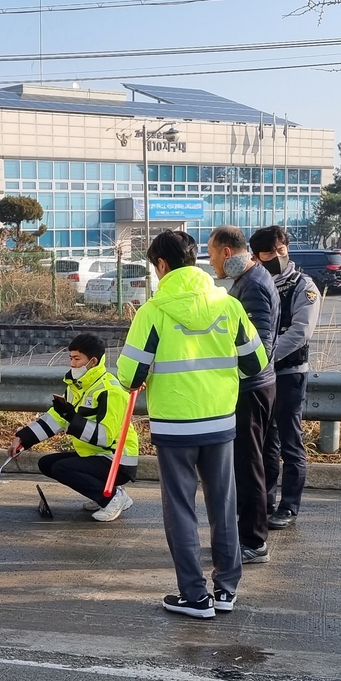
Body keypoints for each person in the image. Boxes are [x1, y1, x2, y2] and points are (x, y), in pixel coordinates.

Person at [118, 230, 268, 619]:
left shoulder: (153, 311)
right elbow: (256, 363)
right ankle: (226, 592)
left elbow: (129, 376)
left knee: (181, 510)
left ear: (162, 265)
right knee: (223, 505)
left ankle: (194, 597)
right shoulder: (228, 304)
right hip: (220, 422)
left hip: (174, 427)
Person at [7, 333, 139, 522]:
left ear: (92, 361)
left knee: (62, 468)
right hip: (96, 456)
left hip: (117, 460)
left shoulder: (110, 391)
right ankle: (101, 494)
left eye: (77, 359)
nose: (72, 363)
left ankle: (112, 498)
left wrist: (71, 418)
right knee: (47, 464)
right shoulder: (77, 386)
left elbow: (104, 437)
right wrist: (23, 439)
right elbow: (55, 419)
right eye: (70, 358)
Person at [208, 225, 279, 565]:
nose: (212, 265)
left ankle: (253, 540)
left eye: (211, 256)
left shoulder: (252, 286)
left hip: (250, 388)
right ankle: (249, 532)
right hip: (256, 386)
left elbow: (258, 348)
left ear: (226, 252)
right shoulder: (251, 280)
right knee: (253, 462)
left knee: (248, 464)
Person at [250, 225, 321, 530]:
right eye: (269, 252)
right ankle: (264, 500)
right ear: (257, 256)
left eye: (281, 249)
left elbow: (301, 332)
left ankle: (289, 506)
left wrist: (265, 355)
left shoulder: (303, 285)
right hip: (261, 378)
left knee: (290, 443)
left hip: (290, 373)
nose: (277, 255)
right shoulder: (256, 284)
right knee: (266, 443)